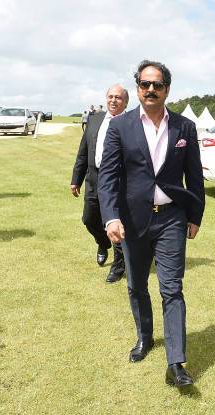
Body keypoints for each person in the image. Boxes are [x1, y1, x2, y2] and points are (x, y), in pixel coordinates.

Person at [98, 60, 205, 387]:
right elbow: (108, 177)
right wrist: (111, 216)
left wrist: (195, 215)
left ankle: (176, 363)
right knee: (136, 285)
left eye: (157, 85)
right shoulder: (120, 127)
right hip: (132, 219)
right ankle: (145, 337)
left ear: (167, 90)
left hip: (172, 218)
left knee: (172, 289)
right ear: (138, 88)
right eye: (145, 84)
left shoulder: (185, 127)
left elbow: (195, 175)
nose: (151, 90)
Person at [70, 85, 128, 283]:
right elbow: (83, 150)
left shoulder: (132, 122)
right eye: (111, 97)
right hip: (94, 179)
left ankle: (118, 268)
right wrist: (75, 179)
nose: (113, 100)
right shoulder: (95, 120)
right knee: (89, 219)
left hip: (119, 181)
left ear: (125, 102)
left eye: (118, 98)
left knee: (117, 223)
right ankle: (103, 243)